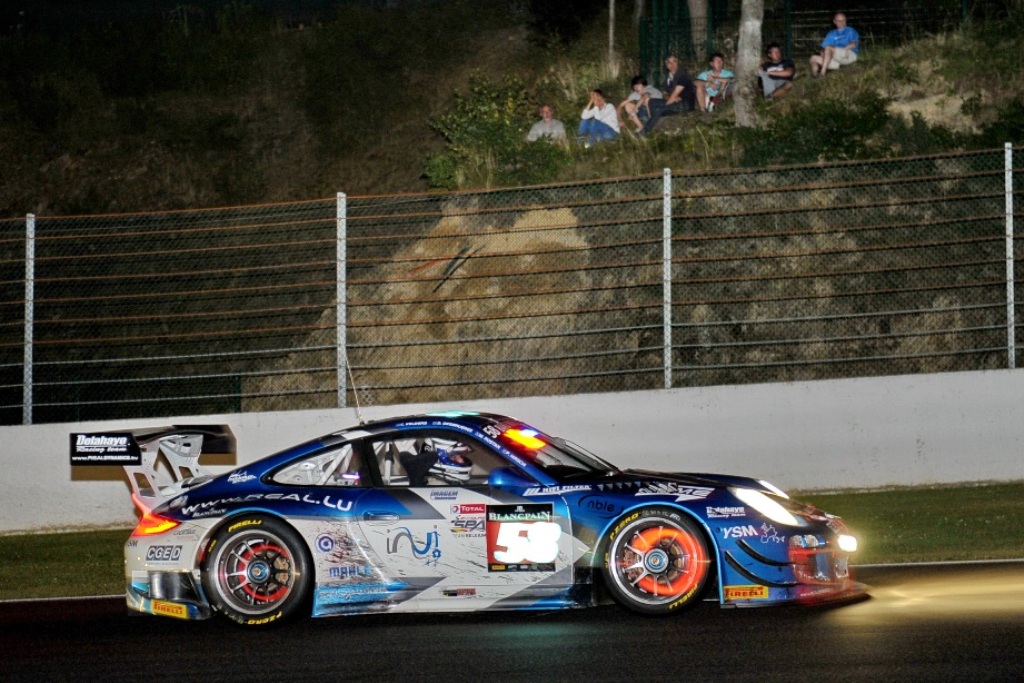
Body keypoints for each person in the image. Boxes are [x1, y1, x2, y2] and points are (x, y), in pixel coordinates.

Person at [642, 55, 695, 134]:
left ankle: (644, 131)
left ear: (677, 63)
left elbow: (675, 94)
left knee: (659, 109)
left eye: (674, 61)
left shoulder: (682, 75)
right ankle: (657, 123)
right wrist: (668, 97)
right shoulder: (669, 78)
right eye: (669, 62)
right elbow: (664, 94)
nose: (672, 64)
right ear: (666, 65)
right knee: (651, 101)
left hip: (685, 104)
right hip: (674, 102)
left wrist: (666, 105)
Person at [809, 12, 859, 77]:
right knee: (813, 58)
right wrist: (824, 55)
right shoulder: (831, 34)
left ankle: (822, 73)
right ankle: (815, 76)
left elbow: (853, 44)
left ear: (846, 20)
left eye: (843, 20)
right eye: (839, 21)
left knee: (829, 48)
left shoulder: (850, 31)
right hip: (836, 59)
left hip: (849, 55)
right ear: (834, 22)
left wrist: (838, 51)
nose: (842, 22)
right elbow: (823, 49)